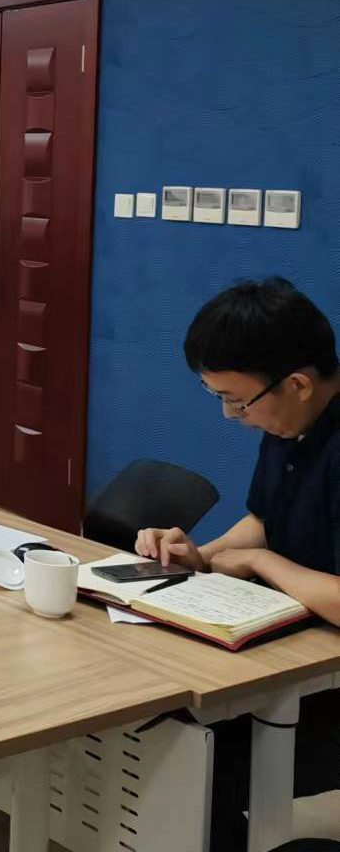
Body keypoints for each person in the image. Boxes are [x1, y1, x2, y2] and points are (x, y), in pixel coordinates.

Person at [135, 278, 340, 851]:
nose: (231, 416)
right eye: (218, 397)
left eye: (238, 400)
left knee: (199, 760)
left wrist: (258, 560)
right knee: (161, 726)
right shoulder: (292, 420)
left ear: (298, 383)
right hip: (296, 647)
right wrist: (203, 555)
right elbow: (266, 519)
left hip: (327, 683)